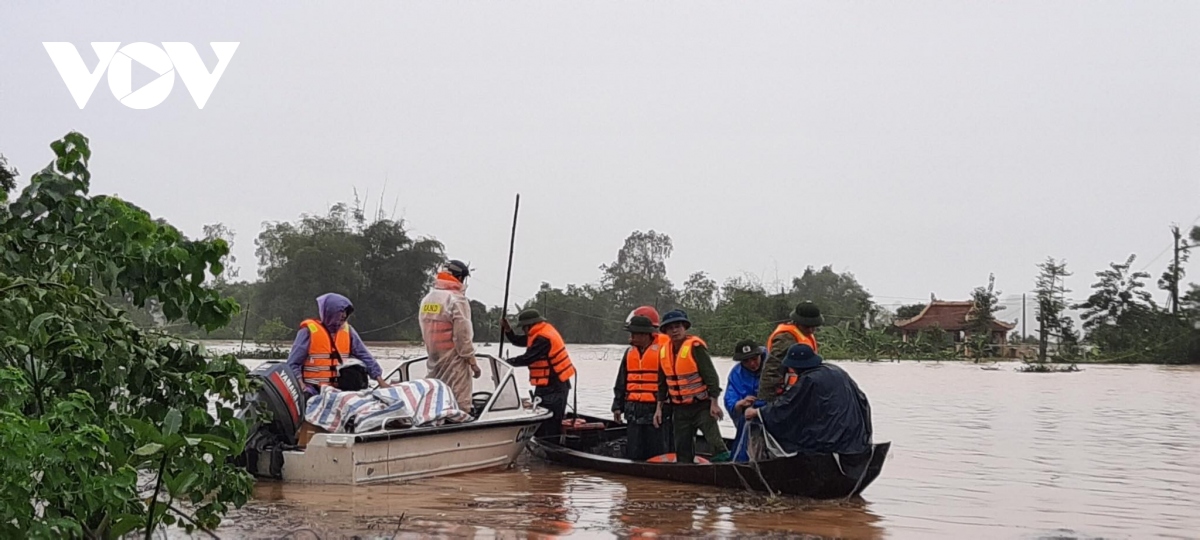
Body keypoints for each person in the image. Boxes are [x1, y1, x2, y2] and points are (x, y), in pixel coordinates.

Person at [745, 344, 873, 455]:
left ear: (794, 367)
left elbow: (787, 405)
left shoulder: (809, 379)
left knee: (777, 430)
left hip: (830, 442)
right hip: (855, 440)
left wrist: (757, 412)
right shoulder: (836, 370)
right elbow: (862, 400)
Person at [652, 309, 730, 463]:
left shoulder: (695, 347)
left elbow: (711, 377)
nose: (675, 331)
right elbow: (662, 384)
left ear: (684, 328)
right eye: (671, 328)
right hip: (680, 410)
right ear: (666, 331)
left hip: (702, 406)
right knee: (683, 449)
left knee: (715, 443)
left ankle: (726, 468)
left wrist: (714, 403)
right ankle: (687, 478)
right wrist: (658, 409)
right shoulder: (663, 352)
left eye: (678, 326)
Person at [287, 293, 389, 396]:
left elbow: (365, 356)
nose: (344, 315)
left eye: (346, 312)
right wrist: (301, 386)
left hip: (340, 391)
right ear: (330, 312)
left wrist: (380, 381)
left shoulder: (348, 331)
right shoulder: (308, 331)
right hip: (313, 390)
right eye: (341, 312)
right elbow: (293, 363)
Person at [419, 260, 482, 413]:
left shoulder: (427, 299)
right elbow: (463, 337)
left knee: (435, 400)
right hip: (455, 360)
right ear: (460, 277)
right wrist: (473, 363)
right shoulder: (457, 299)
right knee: (460, 403)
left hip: (434, 359)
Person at [502, 309, 576, 437]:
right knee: (543, 422)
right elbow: (518, 341)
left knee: (550, 424)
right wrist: (508, 330)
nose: (523, 331)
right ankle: (545, 443)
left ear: (528, 326)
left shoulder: (543, 338)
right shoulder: (540, 332)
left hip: (555, 387)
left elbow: (528, 358)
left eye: (523, 328)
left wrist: (504, 362)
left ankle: (552, 448)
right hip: (547, 386)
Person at [611, 315, 671, 461]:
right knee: (635, 450)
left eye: (634, 334)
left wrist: (662, 406)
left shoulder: (663, 352)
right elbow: (621, 381)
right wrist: (617, 406)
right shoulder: (629, 353)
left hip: (655, 408)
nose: (631, 338)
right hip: (633, 409)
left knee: (656, 450)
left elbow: (668, 381)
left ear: (645, 335)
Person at [758, 301, 823, 402]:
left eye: (814, 326)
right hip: (787, 395)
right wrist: (766, 402)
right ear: (796, 322)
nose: (811, 330)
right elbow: (772, 368)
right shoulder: (785, 338)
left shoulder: (806, 335)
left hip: (803, 392)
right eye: (807, 326)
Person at [724, 338, 767, 462]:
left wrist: (759, 409)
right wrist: (739, 404)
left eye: (754, 359)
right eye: (746, 361)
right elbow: (730, 399)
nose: (752, 364)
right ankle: (742, 461)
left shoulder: (772, 369)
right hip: (748, 421)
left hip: (770, 416)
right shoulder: (736, 373)